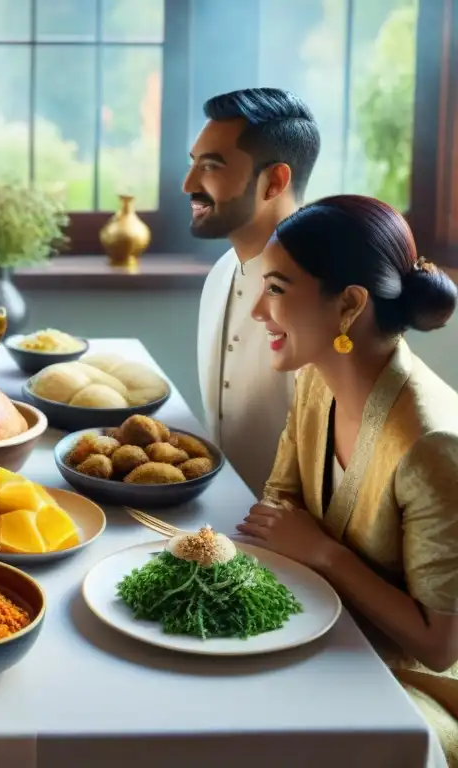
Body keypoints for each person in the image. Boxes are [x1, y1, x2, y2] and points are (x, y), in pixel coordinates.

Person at [239, 195, 458, 766]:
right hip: (328, 636)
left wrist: (323, 555)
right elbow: (278, 506)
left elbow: (439, 645)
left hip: (412, 688)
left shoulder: (434, 444)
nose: (259, 311)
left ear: (350, 305)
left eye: (278, 290)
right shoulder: (318, 380)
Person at [188, 87, 321, 497]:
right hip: (219, 524)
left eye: (211, 167)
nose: (188, 184)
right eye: (193, 165)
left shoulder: (327, 296)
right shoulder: (221, 271)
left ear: (275, 181)